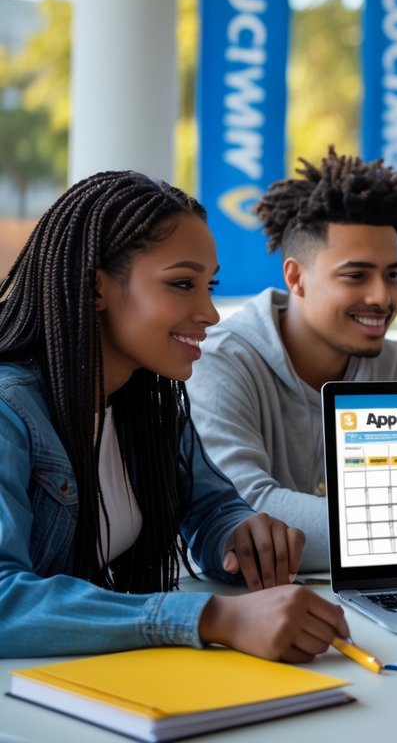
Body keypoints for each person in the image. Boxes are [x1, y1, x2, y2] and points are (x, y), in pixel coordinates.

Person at [0, 171, 348, 659]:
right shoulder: (9, 410)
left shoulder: (148, 405)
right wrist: (211, 617)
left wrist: (240, 534)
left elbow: (210, 508)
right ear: (96, 288)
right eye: (182, 284)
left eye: (210, 286)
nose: (209, 312)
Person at [189, 148, 397, 572]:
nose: (383, 297)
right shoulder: (220, 361)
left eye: (393, 275)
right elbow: (245, 512)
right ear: (296, 277)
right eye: (356, 275)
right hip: (241, 610)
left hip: (376, 594)